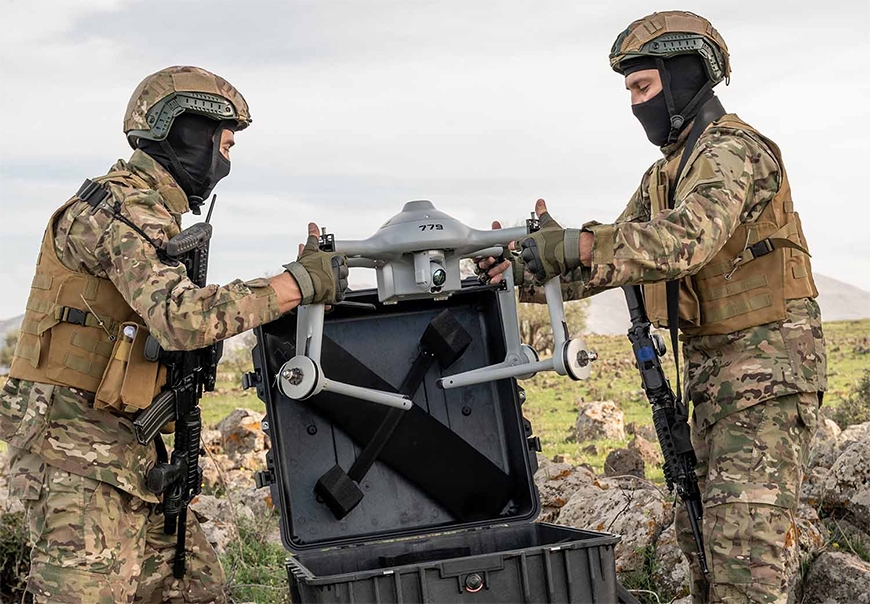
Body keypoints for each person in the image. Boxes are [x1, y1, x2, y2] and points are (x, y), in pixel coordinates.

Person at [480, 11, 826, 604]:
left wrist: (578, 244)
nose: (636, 105)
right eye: (630, 91)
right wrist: (523, 272)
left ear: (685, 76)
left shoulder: (732, 150)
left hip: (766, 380)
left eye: (643, 87)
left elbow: (688, 238)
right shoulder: (665, 174)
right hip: (715, 383)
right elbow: (617, 257)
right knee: (704, 556)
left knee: (745, 567)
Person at [0, 65, 348, 604]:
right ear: (187, 132)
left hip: (125, 452)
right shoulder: (118, 209)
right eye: (224, 146)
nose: (226, 164)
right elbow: (180, 318)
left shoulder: (153, 215)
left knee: (196, 589)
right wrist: (296, 284)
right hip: (75, 457)